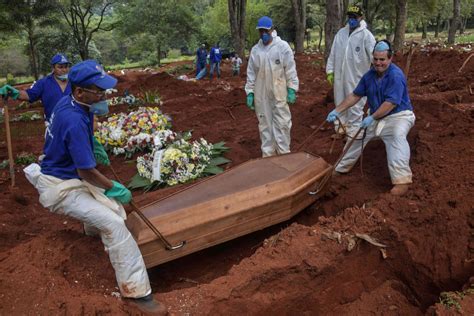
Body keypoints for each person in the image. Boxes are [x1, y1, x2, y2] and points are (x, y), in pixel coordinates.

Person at [22, 60, 167, 314]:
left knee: (108, 210)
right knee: (114, 223)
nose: (103, 96)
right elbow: (86, 172)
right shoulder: (74, 119)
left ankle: (93, 239)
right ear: (80, 91)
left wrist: (92, 144)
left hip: (67, 174)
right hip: (62, 186)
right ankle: (137, 294)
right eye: (98, 91)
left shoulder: (72, 102)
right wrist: (114, 188)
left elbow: (80, 144)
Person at [326, 40, 415, 196]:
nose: (378, 63)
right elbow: (355, 95)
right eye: (375, 59)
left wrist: (372, 117)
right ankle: (340, 169)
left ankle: (402, 181)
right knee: (356, 135)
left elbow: (391, 103)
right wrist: (337, 110)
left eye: (382, 60)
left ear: (390, 58)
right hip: (376, 116)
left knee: (396, 136)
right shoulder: (369, 76)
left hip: (398, 116)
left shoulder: (396, 75)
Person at [245, 16, 299, 157]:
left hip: (279, 92)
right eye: (261, 31)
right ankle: (268, 156)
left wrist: (292, 88)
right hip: (261, 94)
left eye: (266, 31)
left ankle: (284, 154)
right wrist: (250, 92)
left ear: (272, 30)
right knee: (265, 125)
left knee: (282, 123)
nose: (263, 34)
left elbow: (290, 69)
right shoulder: (256, 50)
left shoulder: (282, 47)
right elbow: (251, 73)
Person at [326, 5, 376, 138]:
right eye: (350, 17)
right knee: (340, 101)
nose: (352, 20)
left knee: (355, 105)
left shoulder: (366, 36)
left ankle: (353, 133)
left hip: (357, 77)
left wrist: (375, 74)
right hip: (339, 76)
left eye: (355, 17)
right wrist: (330, 70)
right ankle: (340, 129)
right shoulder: (341, 33)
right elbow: (333, 53)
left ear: (361, 17)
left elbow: (374, 57)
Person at [0, 53, 72, 122]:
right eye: (60, 67)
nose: (64, 70)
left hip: (74, 123)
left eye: (66, 66)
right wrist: (13, 92)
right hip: (53, 125)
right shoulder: (43, 83)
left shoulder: (74, 81)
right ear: (53, 68)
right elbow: (29, 95)